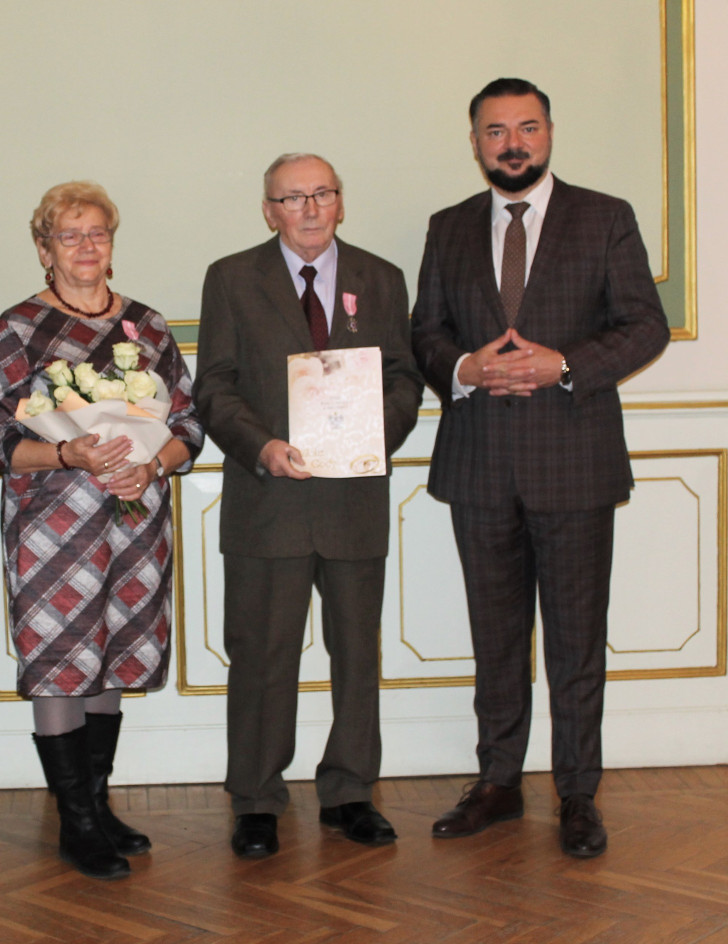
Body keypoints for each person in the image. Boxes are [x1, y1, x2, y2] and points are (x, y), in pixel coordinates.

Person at [410, 78, 670, 857]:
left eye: (526, 128)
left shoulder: (605, 217)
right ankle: (497, 783)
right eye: (495, 131)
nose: (512, 143)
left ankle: (578, 793)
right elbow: (426, 331)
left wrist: (564, 365)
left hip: (575, 464)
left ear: (550, 134)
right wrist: (464, 369)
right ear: (475, 141)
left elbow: (643, 326)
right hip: (479, 465)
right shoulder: (448, 227)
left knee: (575, 643)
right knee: (496, 640)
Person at [194, 154, 423, 859]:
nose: (311, 208)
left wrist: (369, 434)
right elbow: (215, 388)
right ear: (270, 211)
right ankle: (257, 799)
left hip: (354, 498)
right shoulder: (232, 278)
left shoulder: (380, 278)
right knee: (263, 655)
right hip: (270, 498)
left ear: (341, 202)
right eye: (293, 198)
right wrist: (260, 446)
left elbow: (405, 380)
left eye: (322, 193)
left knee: (357, 653)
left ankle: (350, 791)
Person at [0, 181, 203, 880]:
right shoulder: (17, 328)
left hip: (134, 525)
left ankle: (98, 806)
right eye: (69, 236)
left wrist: (156, 468)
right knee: (60, 660)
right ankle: (75, 822)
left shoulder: (149, 327)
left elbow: (190, 425)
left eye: (97, 233)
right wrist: (67, 452)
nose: (86, 247)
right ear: (44, 248)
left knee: (113, 652)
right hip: (54, 532)